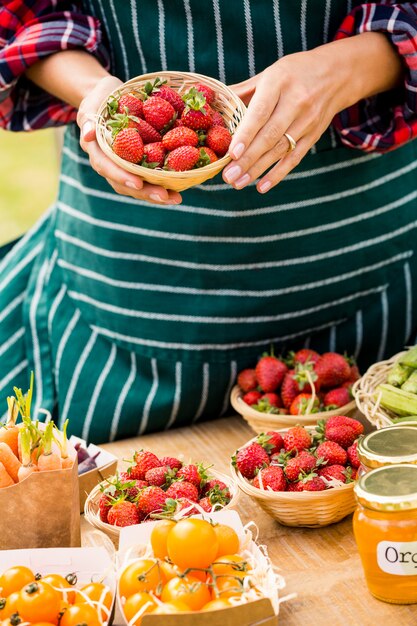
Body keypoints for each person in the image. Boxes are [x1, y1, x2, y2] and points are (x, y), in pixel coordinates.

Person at [0, 1, 416, 443]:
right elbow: (20, 17)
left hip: (365, 274)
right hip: (130, 288)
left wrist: (347, 69)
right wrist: (97, 96)